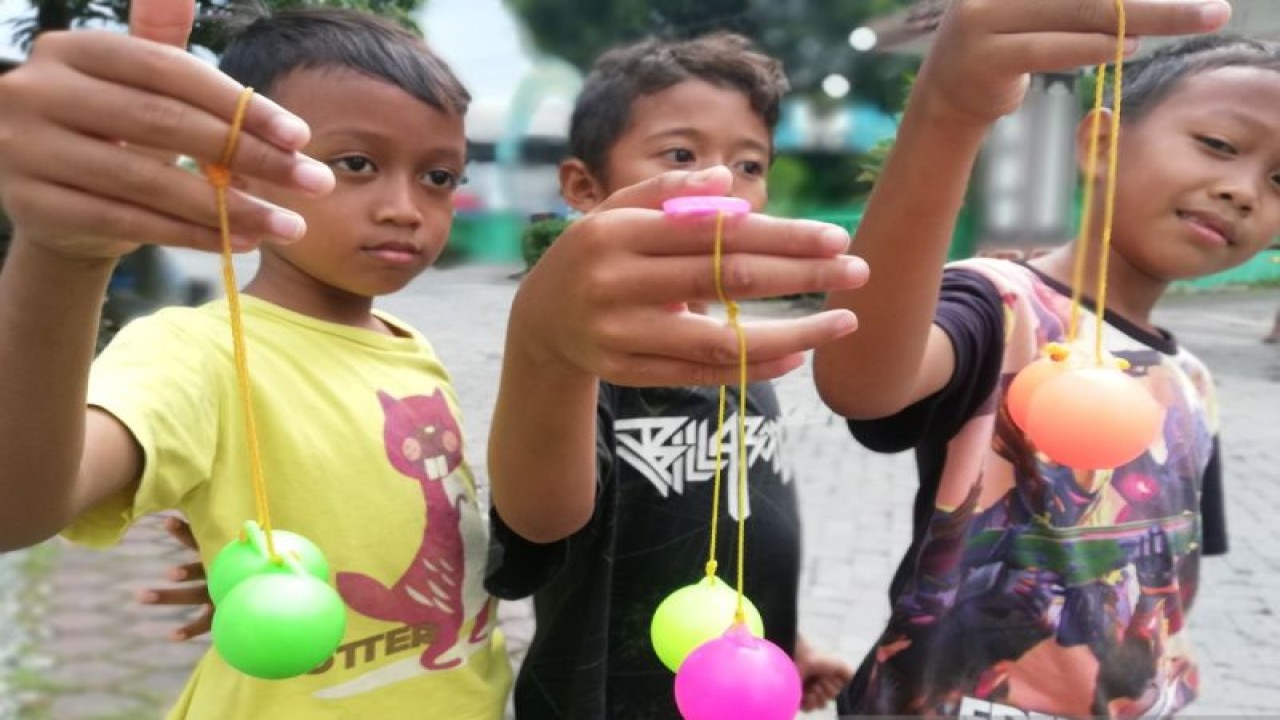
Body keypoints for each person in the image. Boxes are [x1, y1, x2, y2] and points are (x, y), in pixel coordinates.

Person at [0, 1, 863, 717]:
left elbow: (450, 542)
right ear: (238, 166)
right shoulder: (193, 349)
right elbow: (20, 504)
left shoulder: (409, 349)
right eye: (356, 164)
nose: (405, 207)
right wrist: (66, 257)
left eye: (439, 177)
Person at [811, 0, 1275, 716]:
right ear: (1100, 142)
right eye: (1217, 143)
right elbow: (862, 378)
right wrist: (949, 111)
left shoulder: (1194, 382)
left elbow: (1165, 585)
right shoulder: (1000, 306)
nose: (1241, 191)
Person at [483, 32, 864, 719]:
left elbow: (740, 522)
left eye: (748, 163)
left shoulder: (736, 349)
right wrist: (546, 352)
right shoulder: (585, 364)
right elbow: (539, 524)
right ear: (584, 187)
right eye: (681, 156)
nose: (717, 184)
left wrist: (783, 638)